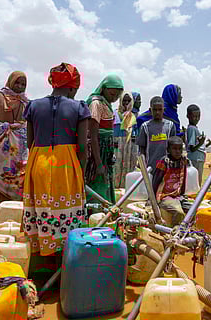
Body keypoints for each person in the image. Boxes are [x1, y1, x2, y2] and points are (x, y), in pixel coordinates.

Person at [22, 63, 90, 256]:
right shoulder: (79, 107)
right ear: (72, 86)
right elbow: (83, 147)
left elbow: (30, 141)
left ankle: (41, 254)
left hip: (39, 161)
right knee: (66, 211)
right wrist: (81, 171)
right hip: (66, 164)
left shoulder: (33, 105)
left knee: (41, 207)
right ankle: (64, 257)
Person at [0, 71, 29, 219]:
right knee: (0, 179)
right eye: (17, 83)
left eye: (23, 84)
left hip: (20, 151)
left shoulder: (26, 102)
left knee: (19, 181)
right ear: (10, 82)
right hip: (2, 148)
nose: (20, 86)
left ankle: (14, 218)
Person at [85, 74, 124, 204]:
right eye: (112, 94)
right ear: (104, 88)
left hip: (105, 152)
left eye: (117, 96)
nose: (114, 98)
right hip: (97, 152)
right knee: (96, 184)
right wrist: (98, 162)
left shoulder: (106, 104)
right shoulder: (96, 103)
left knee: (105, 183)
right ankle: (94, 216)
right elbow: (93, 135)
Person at [152, 136, 192, 227]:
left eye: (179, 149)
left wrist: (182, 194)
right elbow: (156, 180)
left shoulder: (183, 161)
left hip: (177, 196)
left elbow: (183, 177)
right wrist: (153, 200)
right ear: (168, 150)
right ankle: (174, 232)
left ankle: (188, 231)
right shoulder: (164, 162)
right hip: (165, 196)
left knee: (192, 210)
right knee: (179, 213)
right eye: (174, 149)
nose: (177, 151)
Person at [137, 96, 176, 170]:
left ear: (163, 110)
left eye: (160, 109)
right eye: (155, 110)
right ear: (150, 110)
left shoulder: (170, 125)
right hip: (150, 167)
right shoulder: (145, 126)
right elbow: (142, 148)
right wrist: (142, 164)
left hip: (166, 167)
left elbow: (173, 147)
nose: (157, 112)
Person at [113, 91, 138, 188]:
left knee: (128, 166)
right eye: (124, 100)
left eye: (129, 100)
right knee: (117, 166)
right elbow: (112, 129)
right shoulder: (115, 113)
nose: (126, 103)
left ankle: (126, 188)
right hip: (117, 143)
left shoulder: (133, 116)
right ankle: (116, 187)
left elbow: (135, 131)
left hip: (129, 145)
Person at [186, 104, 211, 184]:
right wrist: (201, 143)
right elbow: (192, 148)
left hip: (198, 159)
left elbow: (198, 147)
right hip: (195, 159)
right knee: (196, 181)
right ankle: (196, 196)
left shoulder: (193, 128)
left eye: (198, 116)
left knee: (196, 180)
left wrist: (205, 144)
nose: (196, 119)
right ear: (188, 116)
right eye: (194, 116)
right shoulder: (192, 129)